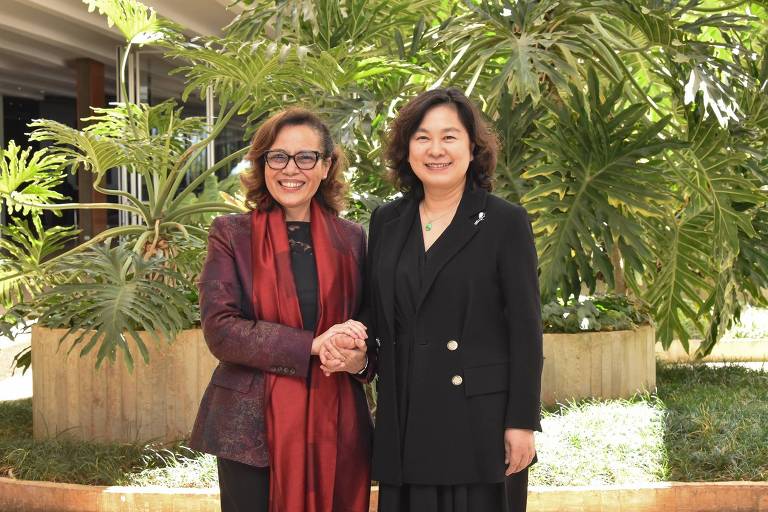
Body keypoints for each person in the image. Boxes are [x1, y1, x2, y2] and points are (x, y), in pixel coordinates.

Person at [329, 88, 543, 512]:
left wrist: (522, 422)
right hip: (406, 411)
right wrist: (352, 342)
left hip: (479, 420)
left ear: (471, 147)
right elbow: (378, 309)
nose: (435, 149)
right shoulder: (388, 220)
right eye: (422, 137)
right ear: (407, 148)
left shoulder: (504, 221)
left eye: (449, 137)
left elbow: (526, 329)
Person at [189, 108, 373, 512]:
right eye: (278, 157)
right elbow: (221, 331)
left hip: (337, 422)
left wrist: (359, 358)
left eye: (306, 157)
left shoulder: (354, 239)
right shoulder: (231, 235)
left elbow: (371, 325)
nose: (292, 169)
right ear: (262, 163)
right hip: (250, 430)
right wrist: (312, 344)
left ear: (325, 166)